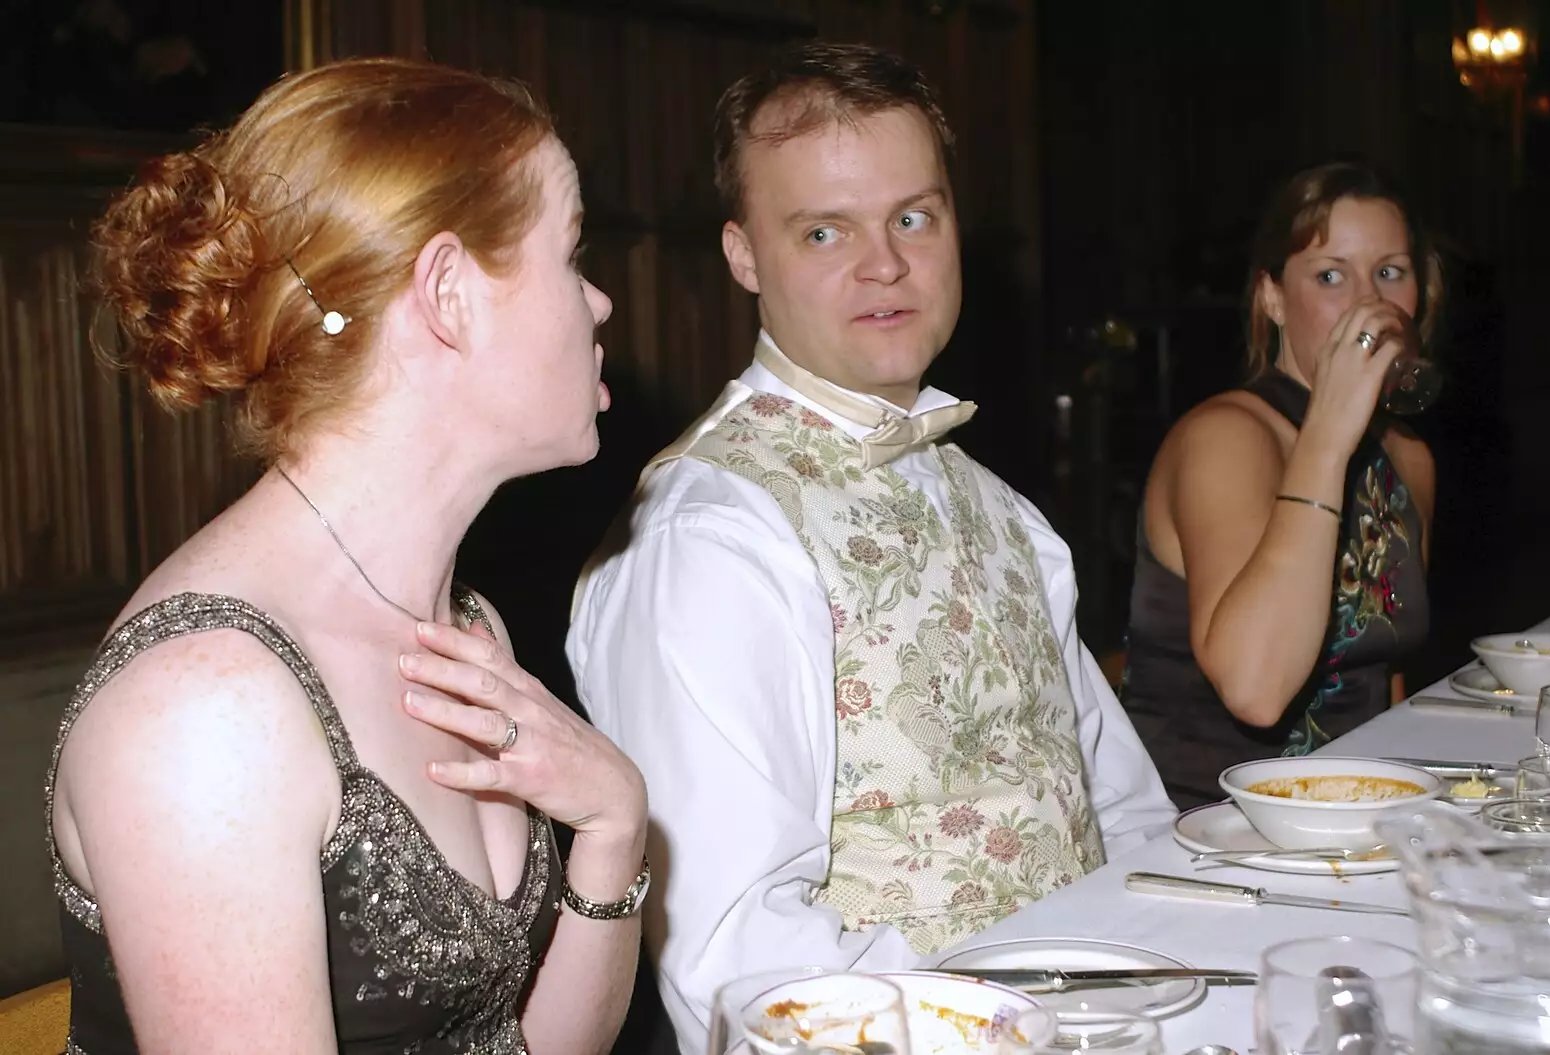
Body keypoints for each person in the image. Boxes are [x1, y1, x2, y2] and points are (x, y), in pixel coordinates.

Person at [566, 41, 1175, 1053]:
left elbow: (1123, 810)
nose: (885, 263)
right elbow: (739, 961)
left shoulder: (1001, 507)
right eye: (822, 231)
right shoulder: (710, 537)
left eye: (913, 217)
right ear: (743, 255)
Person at [48, 58, 649, 1055]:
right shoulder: (208, 710)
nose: (597, 305)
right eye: (569, 254)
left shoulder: (464, 625)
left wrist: (616, 827)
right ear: (450, 293)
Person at [1120, 161, 1438, 812]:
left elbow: (1387, 677)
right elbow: (1255, 686)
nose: (1367, 303)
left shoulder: (1407, 459)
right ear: (1271, 297)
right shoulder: (1226, 438)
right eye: (1330, 275)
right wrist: (1326, 439)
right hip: (1205, 840)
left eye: (1389, 272)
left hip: (1351, 828)